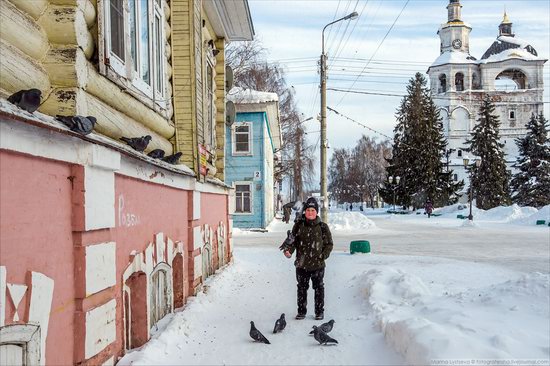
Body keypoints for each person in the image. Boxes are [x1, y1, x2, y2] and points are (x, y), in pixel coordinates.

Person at [283, 197, 333, 320]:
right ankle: (301, 311)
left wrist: (323, 256)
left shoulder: (323, 227)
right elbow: (292, 242)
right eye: (308, 210)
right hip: (302, 264)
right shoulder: (299, 225)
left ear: (316, 212)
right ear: (305, 211)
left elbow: (329, 244)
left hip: (318, 265)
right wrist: (288, 250)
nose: (310, 212)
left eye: (313, 210)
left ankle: (319, 312)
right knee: (301, 288)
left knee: (319, 288)